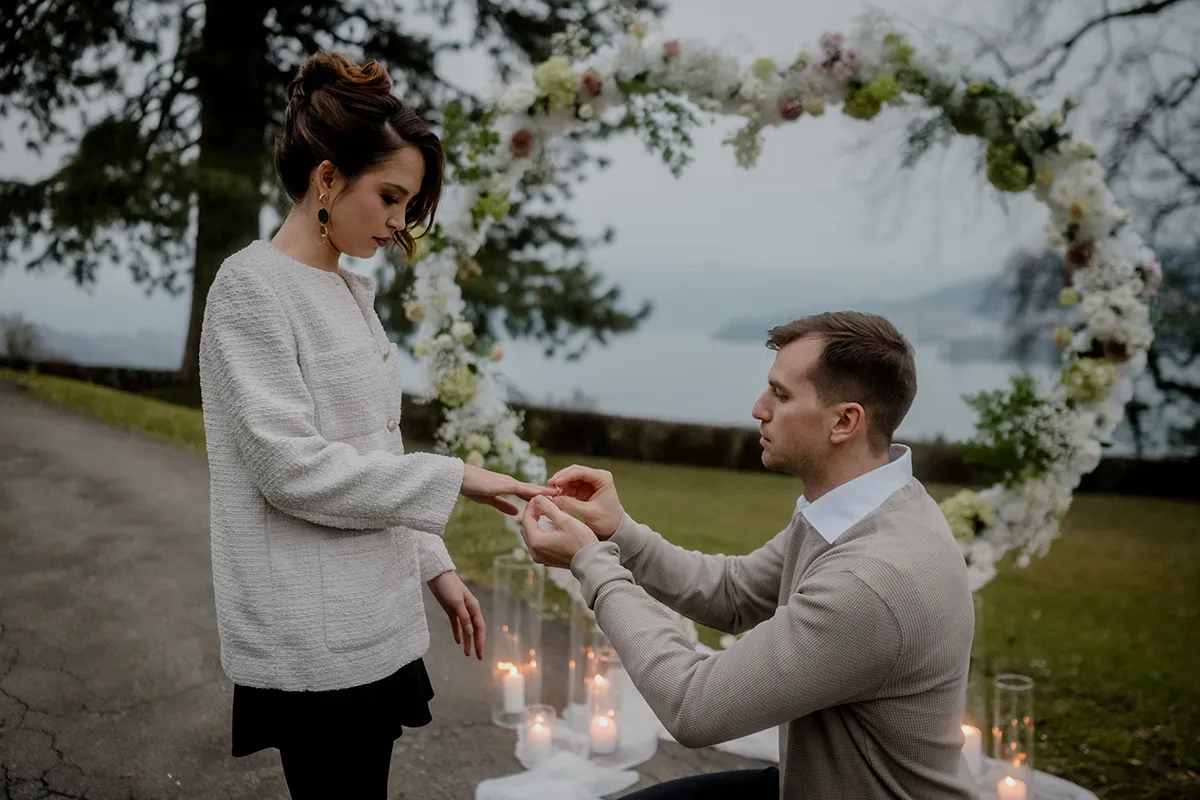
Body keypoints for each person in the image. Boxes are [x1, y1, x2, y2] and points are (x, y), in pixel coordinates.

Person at [198, 51, 551, 800]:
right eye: (391, 197)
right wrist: (458, 478)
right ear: (327, 179)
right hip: (313, 636)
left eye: (409, 204)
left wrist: (435, 566)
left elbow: (377, 451)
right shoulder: (250, 288)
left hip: (378, 618)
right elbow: (290, 469)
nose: (399, 223)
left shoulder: (352, 292)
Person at [519, 311, 978, 800]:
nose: (758, 408)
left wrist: (592, 564)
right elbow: (735, 593)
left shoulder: (872, 580)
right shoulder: (864, 506)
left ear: (844, 421)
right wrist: (619, 532)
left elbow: (693, 706)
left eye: (781, 395)